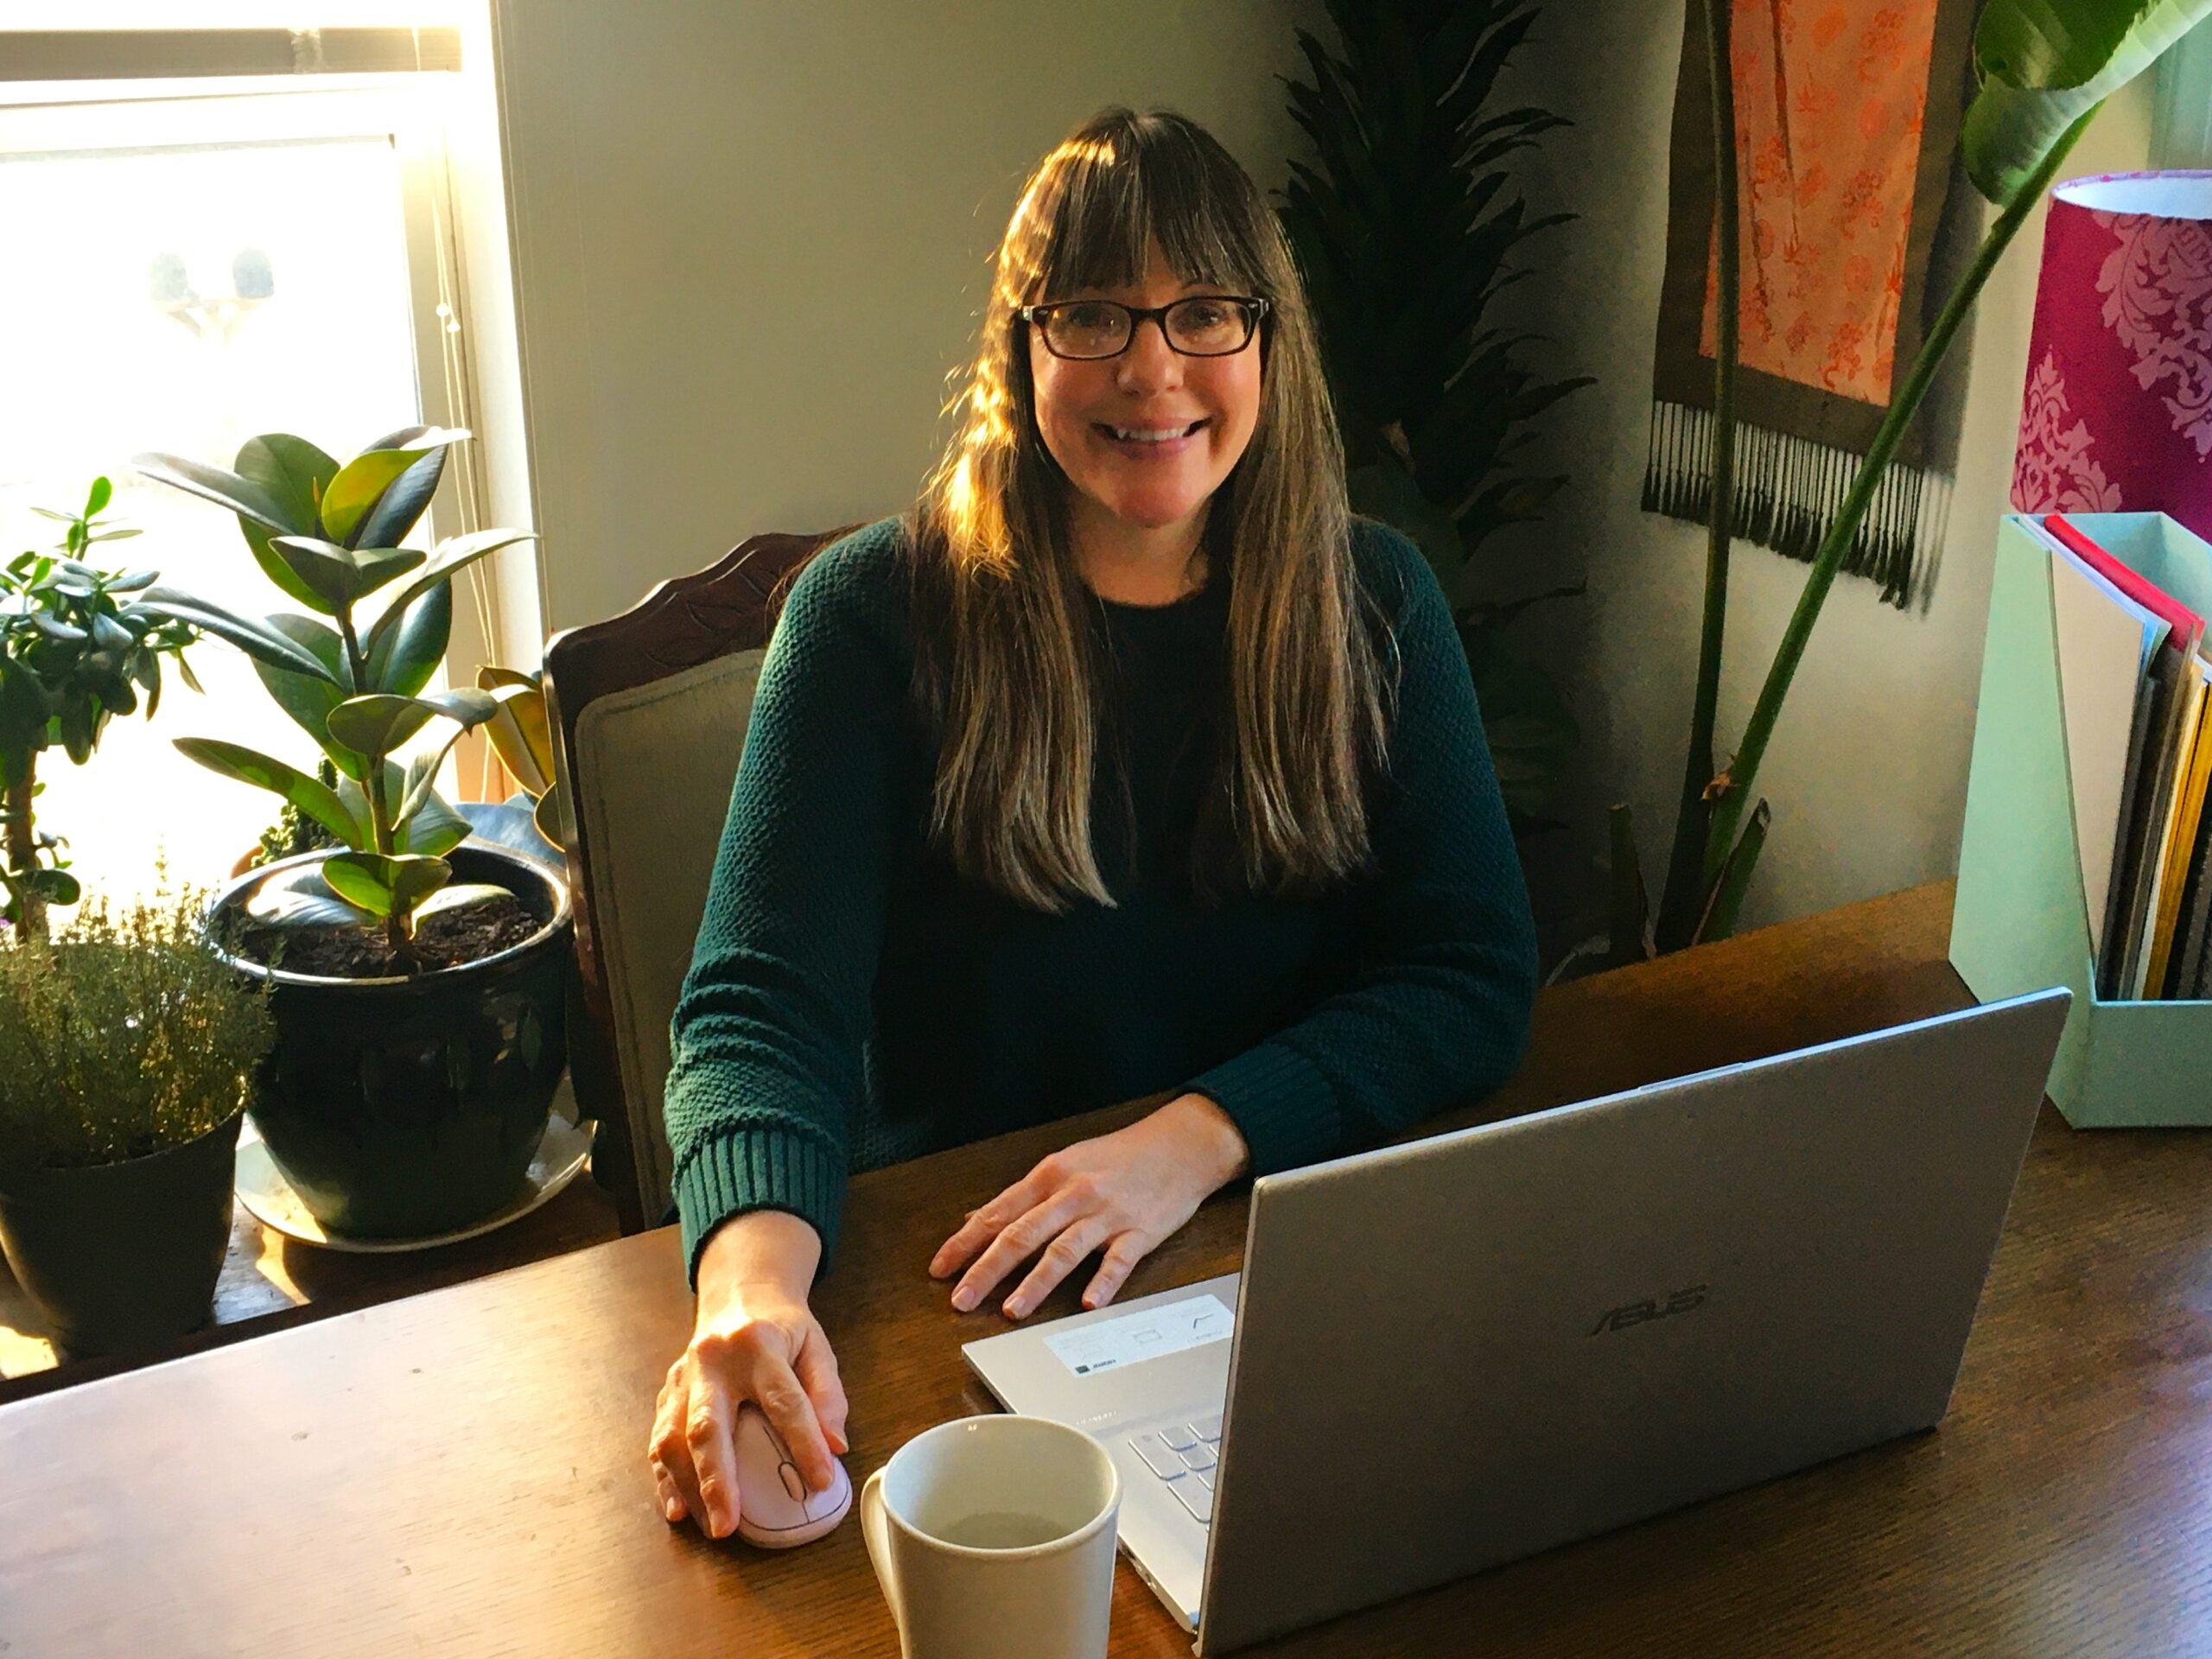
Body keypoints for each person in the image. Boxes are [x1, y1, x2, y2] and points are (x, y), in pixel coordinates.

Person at [646, 105, 1539, 1541]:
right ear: (1022, 348)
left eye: (1203, 314)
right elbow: (762, 1009)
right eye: (1094, 317)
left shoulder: (1372, 601)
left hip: (1275, 1269)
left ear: (1268, 345)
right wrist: (749, 1290)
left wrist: (1198, 1136)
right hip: (960, 1291)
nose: (1152, 368)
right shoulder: (875, 616)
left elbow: (1473, 972)